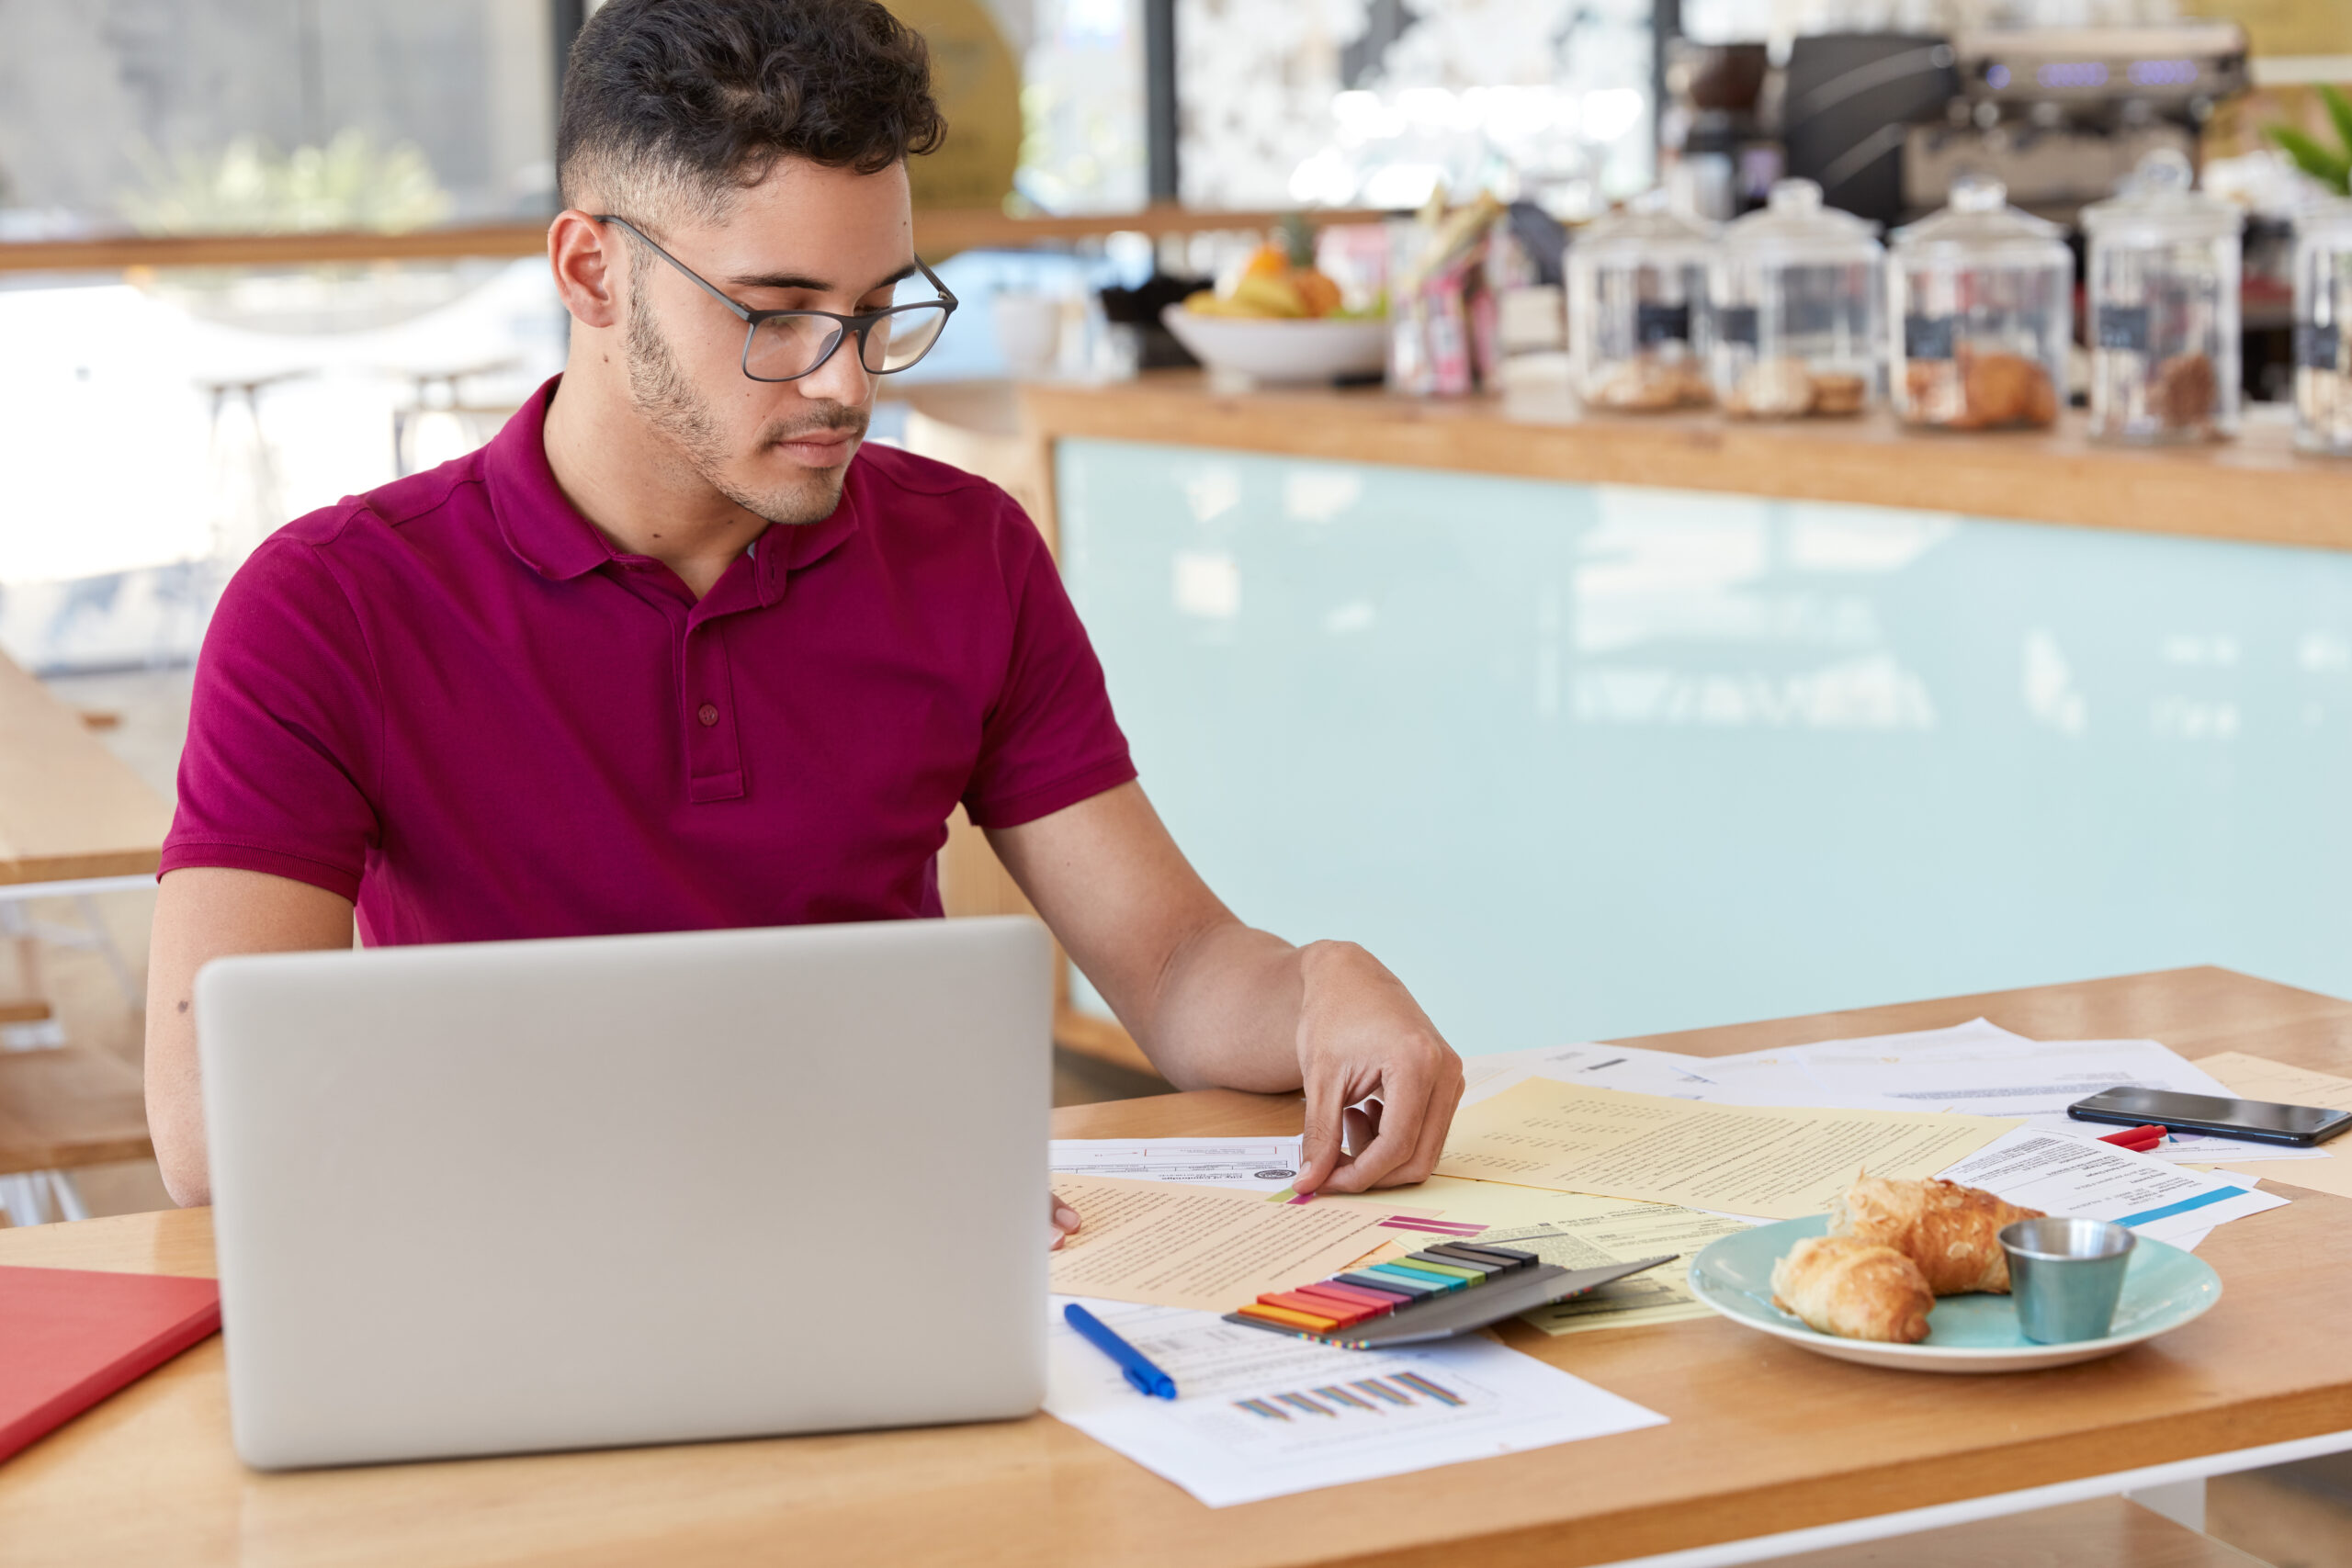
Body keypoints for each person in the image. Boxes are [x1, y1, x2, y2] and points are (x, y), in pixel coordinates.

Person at [143, 0, 1463, 1234]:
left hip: (910, 1273)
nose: (845, 383)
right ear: (592, 271)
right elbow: (212, 1132)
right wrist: (786, 1167)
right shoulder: (330, 607)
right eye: (775, 316)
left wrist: (1317, 986)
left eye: (880, 311)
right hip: (533, 1273)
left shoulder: (970, 553)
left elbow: (1173, 969)